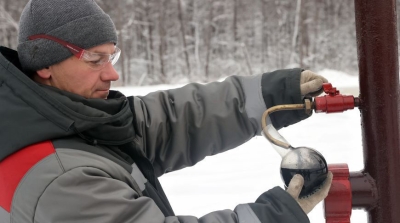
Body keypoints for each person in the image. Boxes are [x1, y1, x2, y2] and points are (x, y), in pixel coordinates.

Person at [0, 0, 333, 222]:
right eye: (94, 59)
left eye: (111, 57)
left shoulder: (73, 120)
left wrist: (273, 95)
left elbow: (176, 120)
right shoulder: (58, 178)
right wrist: (276, 215)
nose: (112, 74)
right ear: (44, 64)